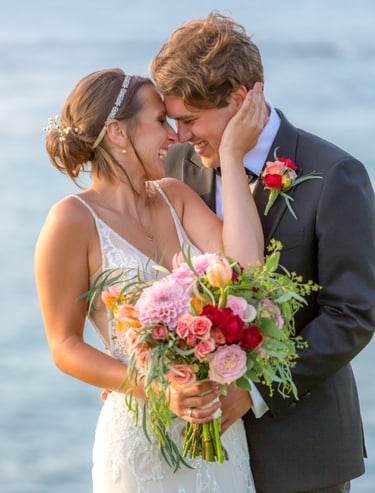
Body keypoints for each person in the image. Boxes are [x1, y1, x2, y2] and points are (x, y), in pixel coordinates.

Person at [150, 12, 375, 493]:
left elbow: (353, 313)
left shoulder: (335, 173)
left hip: (304, 455)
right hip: (196, 459)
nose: (182, 136)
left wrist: (252, 393)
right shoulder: (175, 167)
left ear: (240, 97)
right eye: (174, 122)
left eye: (191, 120)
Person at [35, 67, 268, 492]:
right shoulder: (70, 220)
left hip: (218, 433)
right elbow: (63, 345)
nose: (174, 137)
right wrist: (159, 389)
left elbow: (246, 269)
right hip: (141, 438)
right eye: (160, 122)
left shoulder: (176, 197)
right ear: (118, 134)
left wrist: (231, 158)